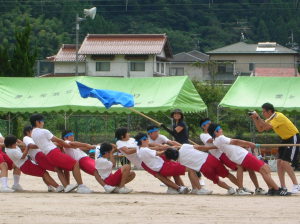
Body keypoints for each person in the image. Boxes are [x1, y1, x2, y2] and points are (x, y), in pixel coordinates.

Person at [208, 123, 291, 196]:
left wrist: (246, 145)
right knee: (264, 169)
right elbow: (235, 141)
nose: (221, 130)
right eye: (219, 129)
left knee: (260, 169)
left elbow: (232, 145)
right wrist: (249, 144)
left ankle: (270, 189)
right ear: (215, 132)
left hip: (239, 156)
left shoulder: (216, 141)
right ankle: (276, 189)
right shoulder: (220, 138)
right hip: (242, 156)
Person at [199, 118, 266, 195]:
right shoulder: (203, 135)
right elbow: (214, 140)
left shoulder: (218, 136)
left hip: (228, 152)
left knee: (248, 168)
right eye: (209, 124)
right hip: (222, 155)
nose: (211, 125)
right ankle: (240, 188)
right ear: (203, 126)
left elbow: (222, 140)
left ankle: (254, 188)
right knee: (238, 168)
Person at [30, 113, 92, 194]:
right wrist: (67, 145)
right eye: (42, 121)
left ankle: (66, 186)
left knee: (59, 169)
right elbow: (57, 140)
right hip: (54, 152)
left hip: (48, 155)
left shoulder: (33, 134)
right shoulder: (44, 131)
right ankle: (81, 186)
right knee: (75, 164)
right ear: (37, 122)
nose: (43, 123)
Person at [134, 132, 212, 195]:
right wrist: (171, 149)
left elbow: (152, 149)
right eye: (145, 139)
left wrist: (162, 147)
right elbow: (160, 153)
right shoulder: (145, 150)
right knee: (191, 169)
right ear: (141, 141)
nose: (147, 140)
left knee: (176, 173)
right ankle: (198, 189)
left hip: (162, 167)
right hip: (164, 167)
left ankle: (182, 188)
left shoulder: (139, 149)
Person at [250, 102, 300, 194]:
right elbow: (261, 129)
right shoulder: (270, 118)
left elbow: (266, 126)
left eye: (264, 112)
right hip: (285, 139)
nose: (263, 113)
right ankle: (283, 187)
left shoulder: (278, 116)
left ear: (269, 111)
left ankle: (296, 185)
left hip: (293, 137)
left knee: (284, 162)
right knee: (279, 162)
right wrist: (255, 119)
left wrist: (258, 117)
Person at [164, 144, 240, 195]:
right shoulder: (184, 146)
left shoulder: (180, 162)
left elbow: (192, 171)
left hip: (204, 168)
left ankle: (230, 189)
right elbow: (200, 147)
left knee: (217, 180)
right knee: (228, 174)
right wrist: (215, 147)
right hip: (210, 159)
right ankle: (241, 188)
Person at [23, 126, 64, 192]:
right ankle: (60, 186)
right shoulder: (26, 138)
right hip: (39, 155)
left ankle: (50, 186)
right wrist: (42, 145)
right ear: (28, 132)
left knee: (44, 173)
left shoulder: (33, 138)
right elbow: (30, 145)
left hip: (38, 156)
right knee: (57, 169)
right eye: (32, 131)